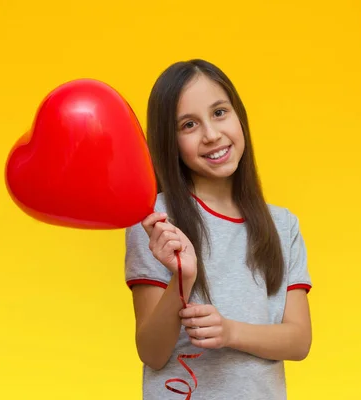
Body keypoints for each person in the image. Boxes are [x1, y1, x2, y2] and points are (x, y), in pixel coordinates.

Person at [124, 59, 313, 399]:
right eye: (189, 124)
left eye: (220, 112)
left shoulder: (283, 226)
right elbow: (151, 353)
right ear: (171, 141)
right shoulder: (157, 221)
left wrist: (229, 332)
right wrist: (182, 279)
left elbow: (299, 341)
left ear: (239, 115)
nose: (211, 135)